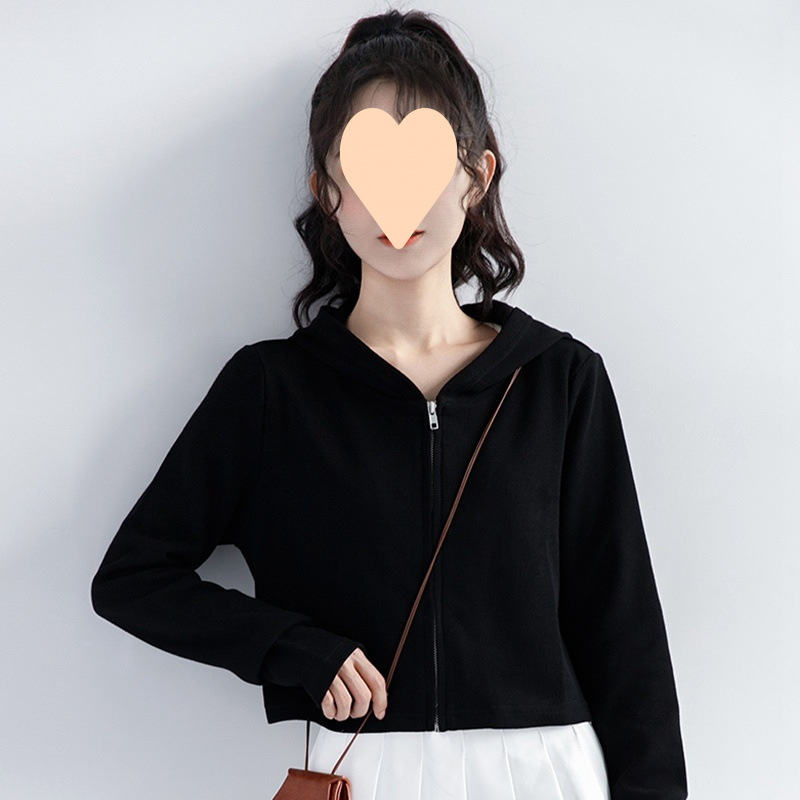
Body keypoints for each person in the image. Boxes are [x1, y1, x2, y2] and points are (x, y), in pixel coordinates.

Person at [91, 9, 688, 800]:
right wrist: (294, 648)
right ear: (327, 190)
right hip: (365, 772)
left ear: (476, 176)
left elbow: (624, 634)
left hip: (544, 772)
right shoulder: (272, 391)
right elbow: (132, 578)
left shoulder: (559, 380)